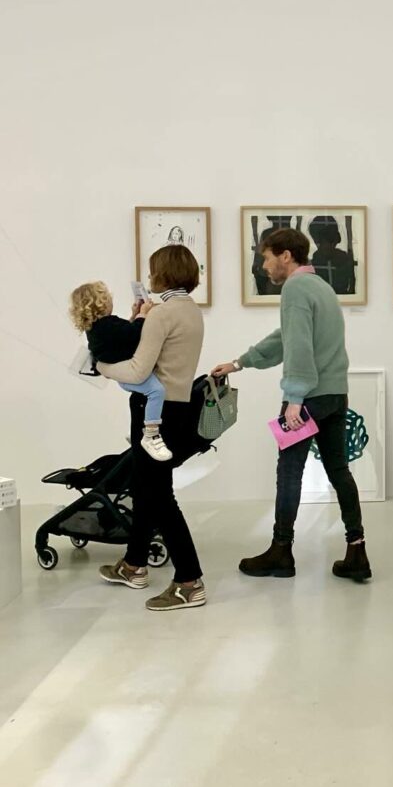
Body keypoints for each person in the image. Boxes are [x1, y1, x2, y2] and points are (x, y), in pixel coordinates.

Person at [212, 227, 370, 579]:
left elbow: (298, 347)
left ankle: (281, 550)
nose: (264, 266)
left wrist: (294, 399)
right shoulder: (321, 288)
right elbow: (287, 337)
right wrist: (241, 362)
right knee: (339, 470)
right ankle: (357, 551)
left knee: (289, 472)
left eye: (266, 258)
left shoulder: (295, 289)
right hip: (334, 394)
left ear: (286, 255)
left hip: (308, 398)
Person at [95, 245, 207, 611]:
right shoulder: (189, 310)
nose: (149, 276)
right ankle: (134, 564)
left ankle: (189, 582)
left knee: (159, 496)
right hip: (179, 408)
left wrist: (102, 368)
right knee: (145, 488)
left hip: (152, 412)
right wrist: (137, 321)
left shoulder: (161, 315)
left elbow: (138, 371)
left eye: (152, 270)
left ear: (163, 274)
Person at [68, 281, 171, 462]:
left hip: (123, 374)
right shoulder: (107, 326)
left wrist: (135, 314)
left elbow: (123, 334)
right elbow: (133, 334)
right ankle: (151, 434)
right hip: (128, 373)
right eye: (107, 298)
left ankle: (138, 432)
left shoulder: (97, 327)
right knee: (157, 391)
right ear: (101, 303)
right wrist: (143, 314)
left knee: (148, 396)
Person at [309, 215, 356, 295]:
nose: (327, 245)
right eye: (320, 241)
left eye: (331, 240)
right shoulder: (314, 263)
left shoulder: (344, 259)